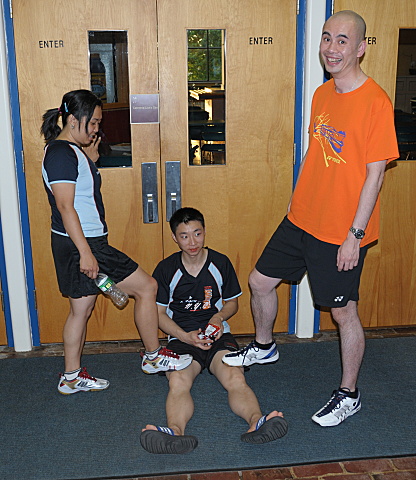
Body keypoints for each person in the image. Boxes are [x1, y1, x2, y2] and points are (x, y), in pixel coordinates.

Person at [223, 10, 399, 427]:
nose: (331, 48)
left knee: (342, 313)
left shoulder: (375, 101)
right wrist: (296, 200)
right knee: (259, 281)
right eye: (326, 38)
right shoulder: (322, 94)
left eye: (342, 40)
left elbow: (375, 175)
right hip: (301, 218)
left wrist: (355, 235)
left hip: (341, 229)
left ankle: (349, 394)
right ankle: (264, 345)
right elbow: (316, 154)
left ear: (360, 48)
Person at [41, 90, 192, 395]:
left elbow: (80, 196)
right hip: (83, 244)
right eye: (93, 122)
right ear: (73, 120)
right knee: (147, 287)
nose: (97, 129)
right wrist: (86, 253)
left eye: (98, 122)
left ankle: (71, 376)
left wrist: (91, 161)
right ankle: (153, 356)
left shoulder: (70, 152)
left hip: (82, 242)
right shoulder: (60, 154)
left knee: (81, 310)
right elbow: (65, 207)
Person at [140, 208, 288, 454]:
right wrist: (184, 336)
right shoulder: (166, 268)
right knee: (178, 381)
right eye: (184, 236)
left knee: (235, 378)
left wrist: (218, 318)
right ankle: (175, 432)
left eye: (197, 233)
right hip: (182, 337)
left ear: (205, 232)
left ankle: (257, 422)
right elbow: (158, 314)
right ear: (175, 238)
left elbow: (232, 303)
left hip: (218, 335)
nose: (192, 242)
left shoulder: (220, 262)